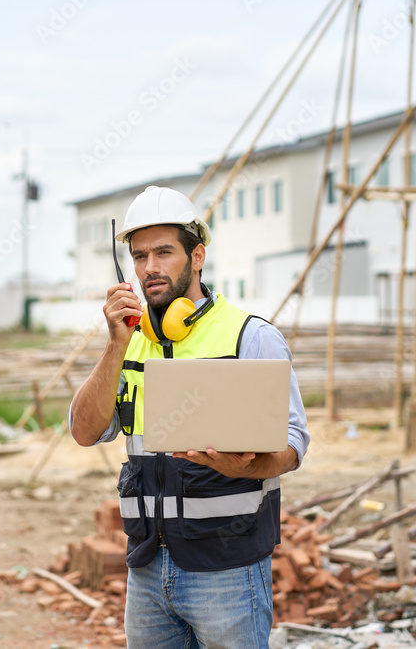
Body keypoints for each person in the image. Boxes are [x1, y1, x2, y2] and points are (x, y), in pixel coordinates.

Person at [69, 185, 309, 648]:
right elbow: (84, 431)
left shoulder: (250, 337)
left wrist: (250, 467)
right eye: (139, 257)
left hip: (229, 571)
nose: (149, 268)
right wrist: (116, 344)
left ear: (197, 256)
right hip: (146, 569)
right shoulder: (129, 342)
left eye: (164, 252)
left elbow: (294, 445)